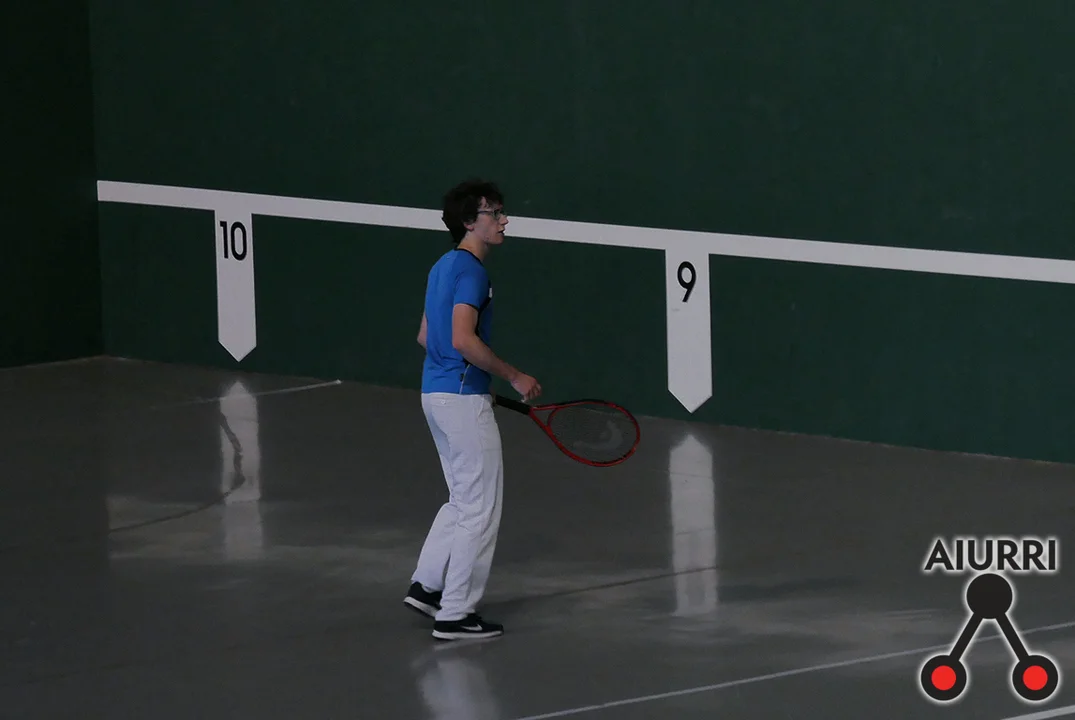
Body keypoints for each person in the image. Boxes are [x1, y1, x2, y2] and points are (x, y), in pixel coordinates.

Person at [404, 179, 541, 640]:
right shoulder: (474, 273)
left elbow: (427, 336)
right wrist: (513, 376)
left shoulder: (442, 266)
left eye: (501, 212)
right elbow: (463, 339)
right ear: (469, 221)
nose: (503, 220)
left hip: (435, 396)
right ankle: (456, 612)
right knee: (479, 507)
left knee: (462, 499)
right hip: (461, 402)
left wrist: (475, 383)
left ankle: (427, 586)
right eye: (494, 213)